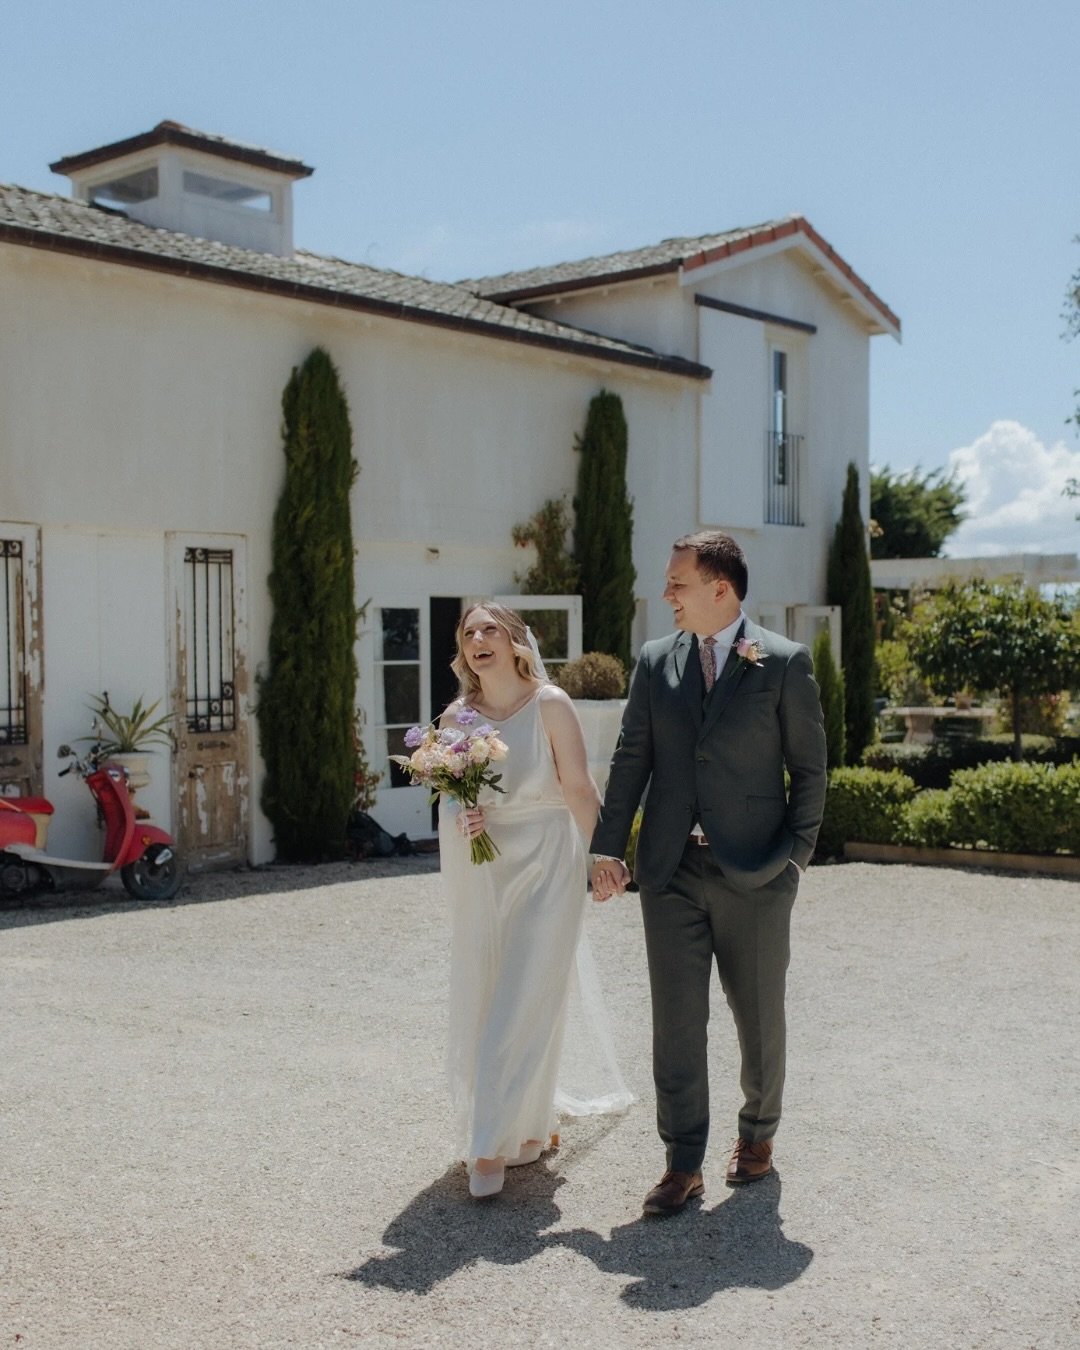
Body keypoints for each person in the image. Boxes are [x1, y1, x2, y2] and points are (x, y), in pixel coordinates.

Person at [591, 531, 827, 1216]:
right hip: (668, 870)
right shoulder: (654, 661)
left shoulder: (782, 662)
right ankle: (682, 1162)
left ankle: (757, 1137)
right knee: (676, 1022)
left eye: (677, 583)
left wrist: (794, 860)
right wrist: (608, 849)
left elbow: (810, 771)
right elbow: (632, 758)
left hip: (756, 872)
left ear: (719, 588)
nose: (665, 594)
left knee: (758, 1016)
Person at [439, 602, 630, 1199]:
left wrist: (604, 856)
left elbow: (578, 786)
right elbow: (449, 798)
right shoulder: (456, 717)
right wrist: (461, 814)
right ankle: (526, 1128)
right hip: (489, 866)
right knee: (498, 987)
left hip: (549, 860)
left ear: (516, 641)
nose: (477, 639)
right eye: (468, 632)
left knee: (527, 990)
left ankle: (487, 1141)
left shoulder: (550, 704)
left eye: (488, 628)